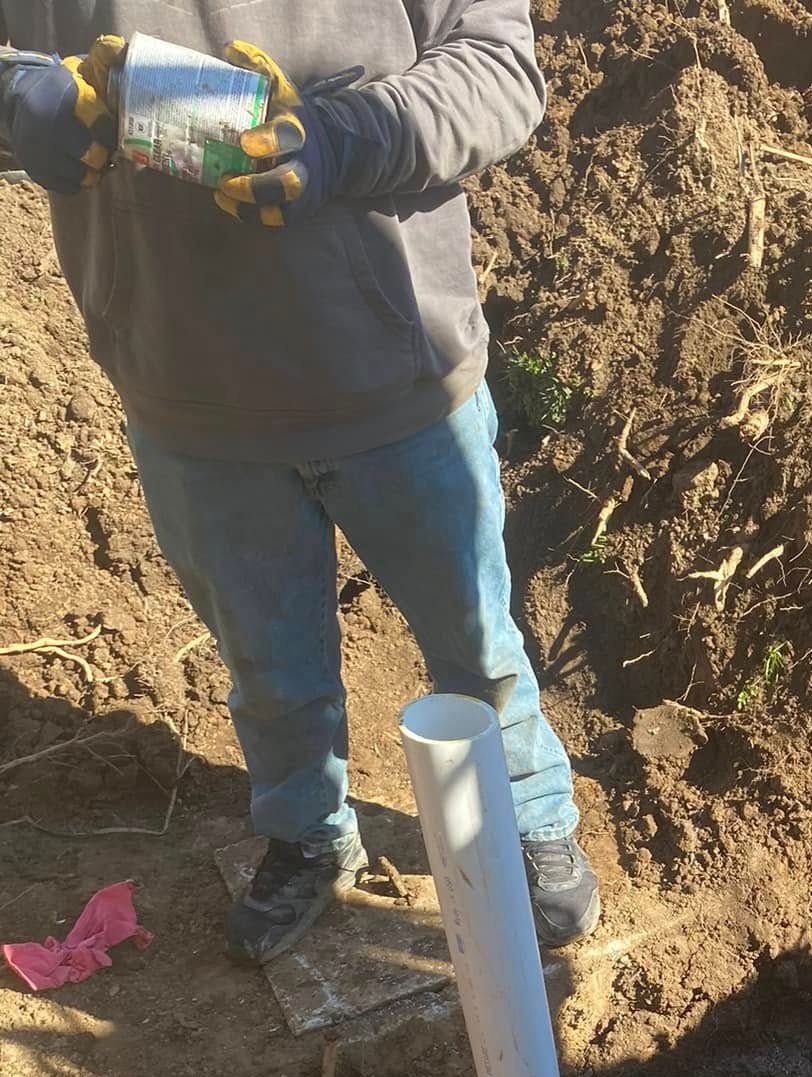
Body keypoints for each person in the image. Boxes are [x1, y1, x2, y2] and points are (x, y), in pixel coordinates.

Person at [0, 5, 600, 961]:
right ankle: (308, 833)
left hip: (397, 381)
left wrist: (340, 138)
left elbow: (498, 69)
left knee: (473, 640)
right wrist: (20, 96)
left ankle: (526, 814)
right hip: (188, 393)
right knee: (268, 668)